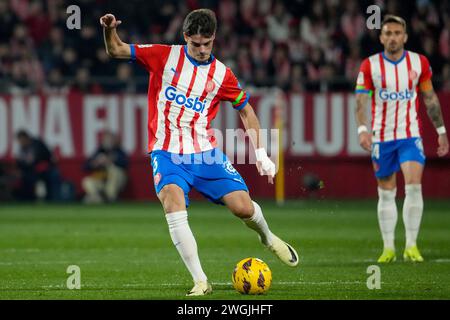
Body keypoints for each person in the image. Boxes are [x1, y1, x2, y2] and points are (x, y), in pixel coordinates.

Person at [100, 9, 299, 296]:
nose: (203, 50)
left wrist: (261, 153)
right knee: (172, 202)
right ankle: (201, 280)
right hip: (166, 152)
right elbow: (116, 49)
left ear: (214, 38)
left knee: (243, 207)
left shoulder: (222, 75)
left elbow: (246, 110)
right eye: (196, 44)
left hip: (205, 153)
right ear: (185, 38)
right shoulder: (163, 56)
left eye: (208, 44)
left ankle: (267, 238)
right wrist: (109, 30)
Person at [355, 15, 449, 263]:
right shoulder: (370, 65)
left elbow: (430, 99)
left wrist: (441, 131)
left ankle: (411, 246)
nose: (393, 37)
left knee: (414, 186)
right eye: (388, 33)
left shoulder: (420, 63)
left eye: (397, 33)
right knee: (386, 192)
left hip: (410, 135)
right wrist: (362, 129)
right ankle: (388, 249)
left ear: (405, 37)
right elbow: (360, 101)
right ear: (381, 37)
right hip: (381, 137)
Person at [82, 131, 128, 204]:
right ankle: (97, 198)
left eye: (110, 140)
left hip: (115, 181)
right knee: (87, 181)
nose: (108, 142)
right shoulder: (99, 151)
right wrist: (96, 162)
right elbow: (85, 167)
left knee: (115, 171)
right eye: (106, 140)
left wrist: (111, 160)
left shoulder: (119, 151)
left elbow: (125, 164)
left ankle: (111, 197)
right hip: (101, 181)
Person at [14, 130, 61, 201]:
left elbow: (41, 159)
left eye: (21, 140)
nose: (21, 142)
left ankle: (55, 200)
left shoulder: (37, 144)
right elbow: (21, 163)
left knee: (54, 175)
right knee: (25, 178)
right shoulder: (22, 149)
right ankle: (29, 200)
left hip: (45, 170)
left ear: (26, 138)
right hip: (32, 172)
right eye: (19, 141)